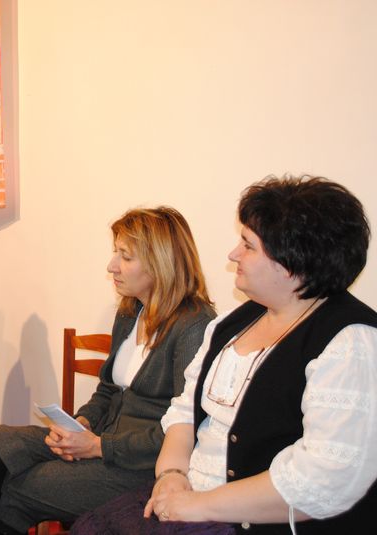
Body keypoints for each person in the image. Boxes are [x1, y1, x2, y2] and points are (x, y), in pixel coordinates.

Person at [71, 176, 377, 535]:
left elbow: (322, 479)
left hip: (249, 521)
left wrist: (198, 505)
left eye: (248, 246)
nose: (233, 255)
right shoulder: (233, 323)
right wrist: (171, 475)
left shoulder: (351, 343)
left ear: (291, 263)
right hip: (189, 500)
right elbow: (184, 412)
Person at [0, 207, 216, 534]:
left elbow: (184, 428)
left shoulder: (194, 326)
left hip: (140, 467)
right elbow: (107, 389)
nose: (112, 265)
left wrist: (97, 446)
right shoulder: (130, 312)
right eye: (116, 253)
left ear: (161, 263)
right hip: (102, 441)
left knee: (18, 490)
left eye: (125, 256)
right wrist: (80, 424)